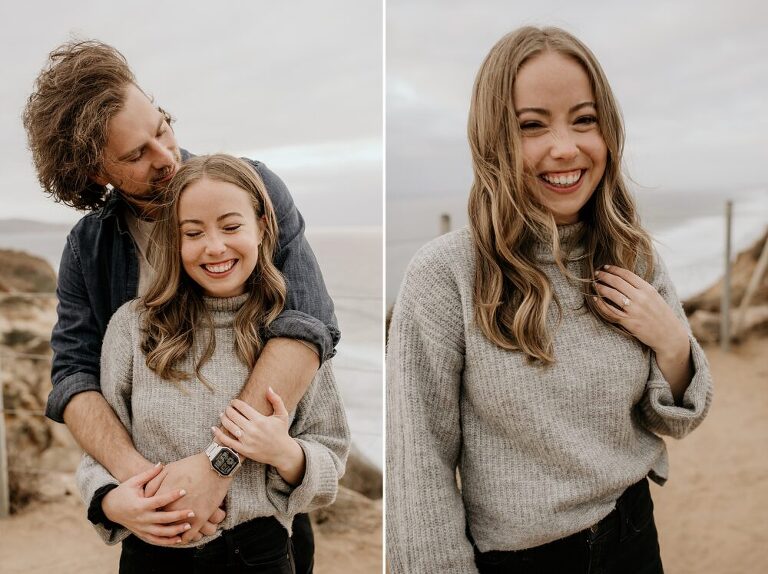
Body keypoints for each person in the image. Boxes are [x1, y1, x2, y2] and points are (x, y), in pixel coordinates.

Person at [386, 26, 713, 573]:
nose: (565, 148)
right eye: (531, 126)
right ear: (493, 139)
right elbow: (417, 469)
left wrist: (674, 345)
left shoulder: (635, 257)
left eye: (584, 120)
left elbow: (678, 420)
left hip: (633, 533)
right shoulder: (445, 276)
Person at [23, 40, 338, 568]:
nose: (166, 157)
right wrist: (144, 487)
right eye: (135, 155)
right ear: (94, 171)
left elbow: (304, 328)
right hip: (155, 536)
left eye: (162, 127)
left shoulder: (252, 190)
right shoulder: (88, 248)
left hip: (262, 532)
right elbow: (74, 377)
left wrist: (217, 467)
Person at [76, 153, 350, 573]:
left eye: (231, 226)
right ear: (175, 239)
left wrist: (284, 452)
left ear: (261, 228)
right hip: (151, 558)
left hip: (260, 553)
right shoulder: (132, 328)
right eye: (194, 232)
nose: (215, 246)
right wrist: (112, 502)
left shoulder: (291, 335)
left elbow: (330, 458)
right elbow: (100, 454)